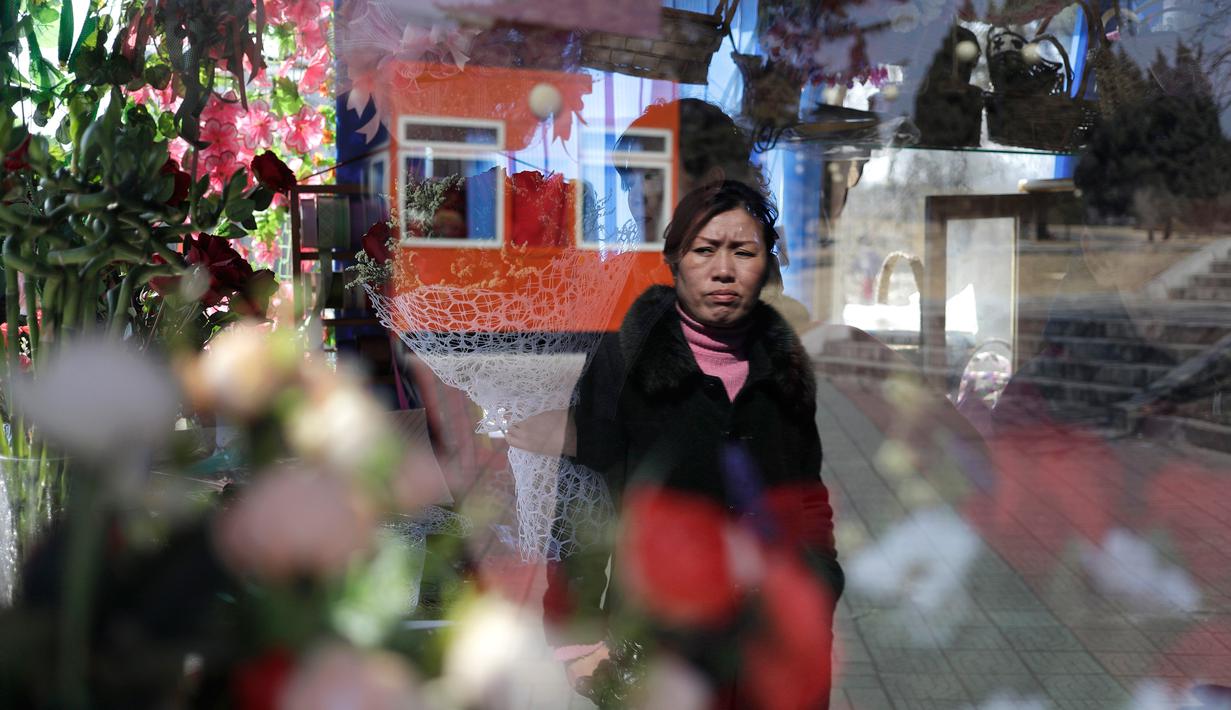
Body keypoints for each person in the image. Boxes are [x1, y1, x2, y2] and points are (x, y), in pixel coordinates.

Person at [508, 180, 843, 708]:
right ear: (674, 261)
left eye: (744, 252)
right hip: (661, 642)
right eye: (704, 250)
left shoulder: (785, 364)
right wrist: (574, 637)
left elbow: (807, 491)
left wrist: (821, 585)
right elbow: (584, 504)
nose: (724, 270)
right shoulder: (623, 360)